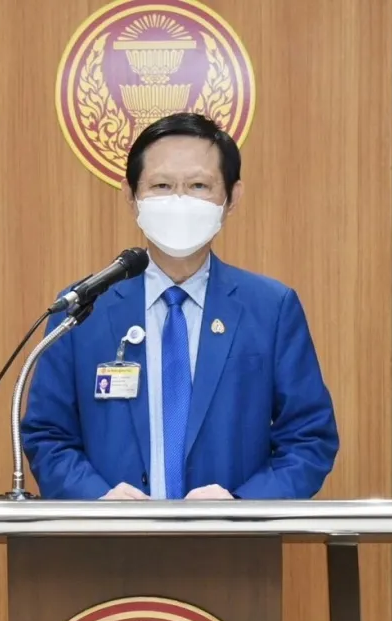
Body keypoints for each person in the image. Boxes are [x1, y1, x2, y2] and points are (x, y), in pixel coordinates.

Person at [21, 112, 338, 500]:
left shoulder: (271, 309)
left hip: (232, 537)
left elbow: (309, 439)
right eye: (162, 185)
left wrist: (242, 507)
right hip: (109, 535)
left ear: (232, 198)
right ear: (131, 196)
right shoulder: (84, 309)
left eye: (199, 185)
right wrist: (97, 500)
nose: (179, 201)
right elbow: (48, 435)